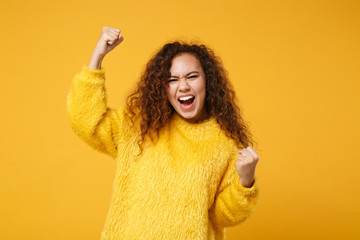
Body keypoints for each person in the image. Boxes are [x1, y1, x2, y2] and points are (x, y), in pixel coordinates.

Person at [67, 26, 260, 240]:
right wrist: (97, 57)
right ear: (162, 87)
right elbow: (85, 121)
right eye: (172, 79)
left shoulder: (225, 142)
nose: (183, 86)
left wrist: (245, 181)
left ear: (208, 81)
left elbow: (222, 217)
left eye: (192, 76)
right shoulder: (139, 126)